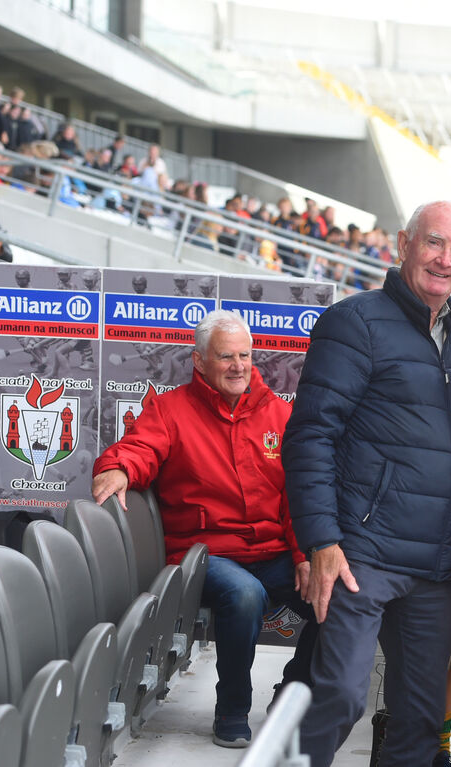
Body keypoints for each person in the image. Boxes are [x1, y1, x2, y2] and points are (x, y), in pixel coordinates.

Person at [283, 200, 451, 767]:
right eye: (434, 243)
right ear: (403, 244)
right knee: (340, 697)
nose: (445, 260)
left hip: (434, 565)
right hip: (359, 554)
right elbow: (309, 438)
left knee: (419, 718)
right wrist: (321, 541)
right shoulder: (355, 322)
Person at [90, 310, 316, 748]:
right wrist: (117, 469)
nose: (238, 366)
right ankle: (232, 709)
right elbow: (137, 449)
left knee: (336, 597)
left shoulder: (278, 415)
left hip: (272, 553)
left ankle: (290, 695)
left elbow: (299, 496)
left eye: (245, 356)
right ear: (198, 361)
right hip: (207, 556)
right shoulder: (170, 409)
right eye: (226, 357)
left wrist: (306, 557)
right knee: (244, 594)